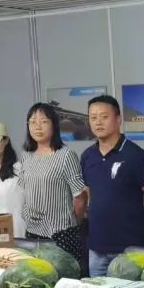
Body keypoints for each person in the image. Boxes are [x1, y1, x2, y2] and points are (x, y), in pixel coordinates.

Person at [80, 95, 144, 277]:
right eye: (93, 117)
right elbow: (87, 193)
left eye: (104, 117)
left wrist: (141, 224)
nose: (98, 122)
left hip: (130, 250)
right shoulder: (87, 156)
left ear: (118, 119)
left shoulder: (135, 155)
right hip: (97, 248)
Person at [20, 103, 87, 265]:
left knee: (65, 275)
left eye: (44, 121)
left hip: (60, 233)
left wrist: (74, 221)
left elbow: (80, 197)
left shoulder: (66, 155)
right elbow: (25, 190)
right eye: (32, 122)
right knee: (37, 276)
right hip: (32, 231)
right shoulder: (26, 155)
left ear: (54, 125)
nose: (38, 127)